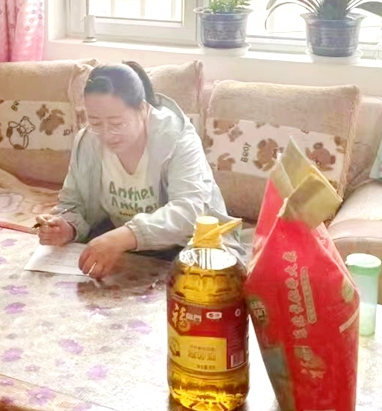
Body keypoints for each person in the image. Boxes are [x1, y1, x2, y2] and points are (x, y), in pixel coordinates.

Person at [36, 62, 246, 278]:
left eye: (117, 123)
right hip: (128, 244)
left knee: (202, 285)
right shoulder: (88, 140)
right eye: (95, 122)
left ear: (143, 109)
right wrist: (66, 226)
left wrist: (124, 236)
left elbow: (189, 211)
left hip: (188, 244)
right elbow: (73, 203)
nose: (106, 134)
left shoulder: (177, 139)